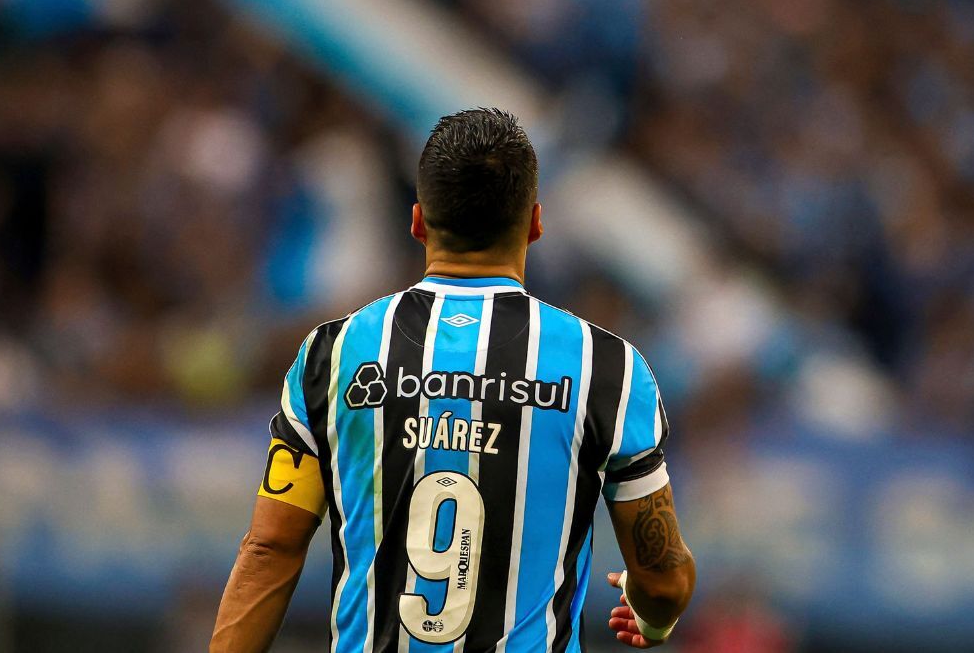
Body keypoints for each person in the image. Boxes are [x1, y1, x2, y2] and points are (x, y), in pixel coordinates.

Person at [210, 109, 696, 652]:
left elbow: (269, 550)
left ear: (418, 222)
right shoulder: (607, 367)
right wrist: (653, 618)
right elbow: (663, 578)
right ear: (534, 223)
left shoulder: (334, 353)